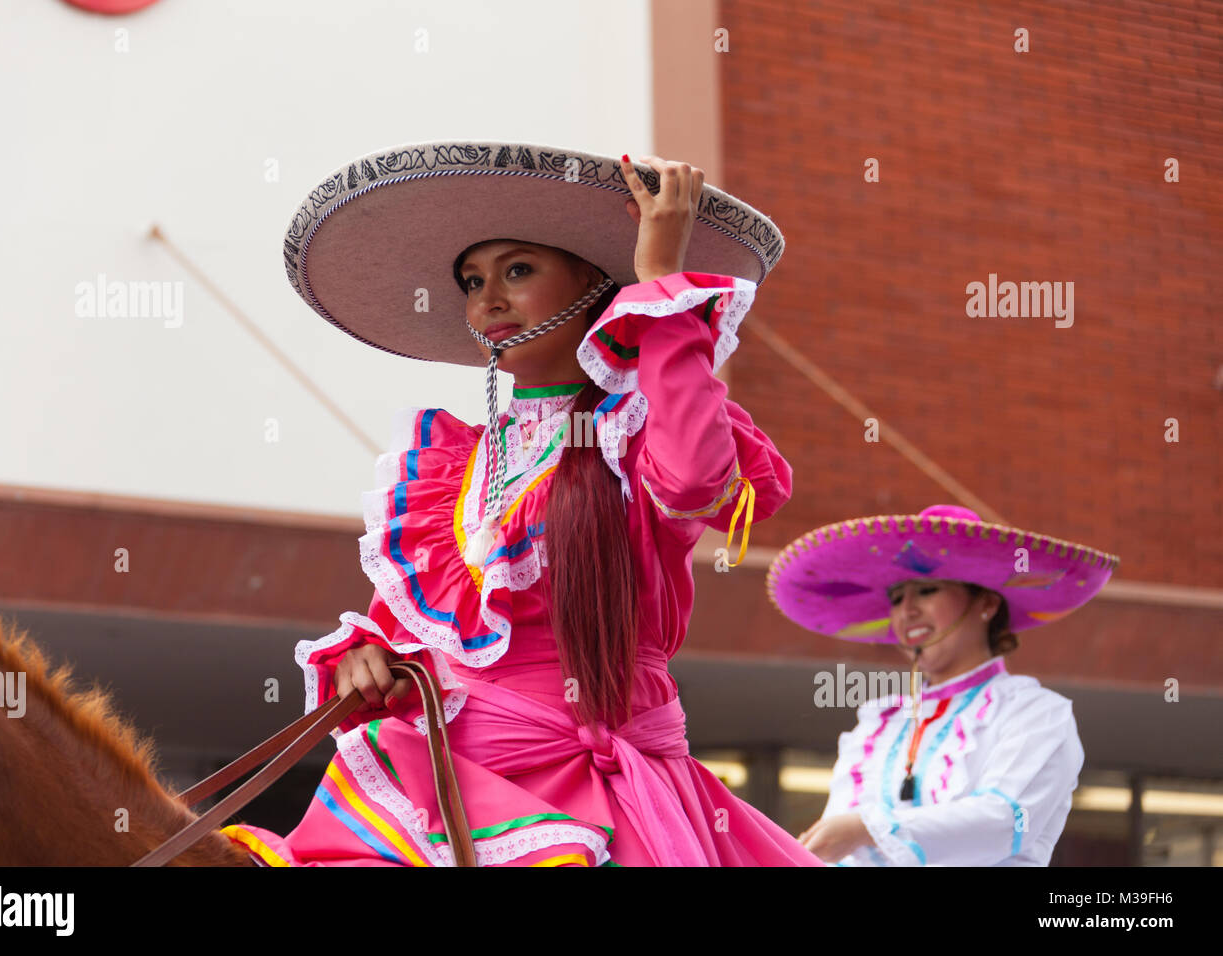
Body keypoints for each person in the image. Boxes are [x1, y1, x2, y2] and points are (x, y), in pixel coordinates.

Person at [221, 140, 824, 866]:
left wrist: (659, 284)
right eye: (473, 281)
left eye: (518, 270)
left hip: (598, 792)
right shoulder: (456, 463)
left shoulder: (635, 428)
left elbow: (698, 477)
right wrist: (371, 656)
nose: (489, 301)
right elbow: (422, 625)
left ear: (598, 284)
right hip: (450, 785)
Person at [767, 503, 1120, 866]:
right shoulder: (880, 724)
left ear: (986, 603)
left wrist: (867, 828)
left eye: (926, 590)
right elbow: (838, 848)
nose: (906, 611)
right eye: (896, 598)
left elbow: (1006, 820)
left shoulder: (1036, 713)